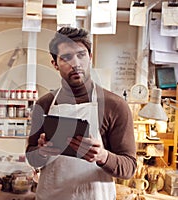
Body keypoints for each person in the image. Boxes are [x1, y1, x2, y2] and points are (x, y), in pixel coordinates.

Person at [26, 27, 137, 200]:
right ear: (55, 64)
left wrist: (102, 156)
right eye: (66, 57)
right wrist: (41, 152)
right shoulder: (44, 104)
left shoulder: (115, 106)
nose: (75, 63)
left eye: (81, 54)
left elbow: (129, 167)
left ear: (90, 57)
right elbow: (31, 157)